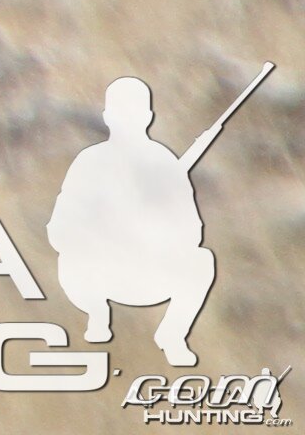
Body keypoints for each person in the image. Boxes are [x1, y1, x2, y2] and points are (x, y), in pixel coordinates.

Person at [52, 77, 217, 369]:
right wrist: (99, 233)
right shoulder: (89, 162)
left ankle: (172, 335)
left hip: (148, 271)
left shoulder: (164, 163)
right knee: (71, 261)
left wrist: (157, 224)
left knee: (202, 262)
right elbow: (59, 229)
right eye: (121, 112)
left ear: (148, 117)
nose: (128, 119)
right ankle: (97, 316)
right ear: (106, 117)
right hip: (97, 273)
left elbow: (192, 231)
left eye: (135, 112)